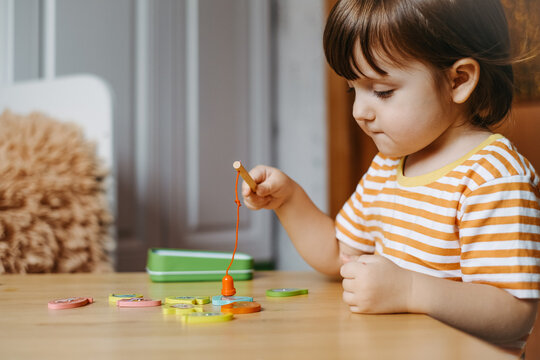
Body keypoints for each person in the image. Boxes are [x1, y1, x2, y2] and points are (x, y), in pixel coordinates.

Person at [241, 0, 540, 352]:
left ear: (458, 80)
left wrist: (409, 290)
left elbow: (512, 311)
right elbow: (340, 256)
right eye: (353, 89)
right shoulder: (388, 166)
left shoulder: (493, 176)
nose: (359, 112)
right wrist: (289, 200)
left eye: (382, 91)